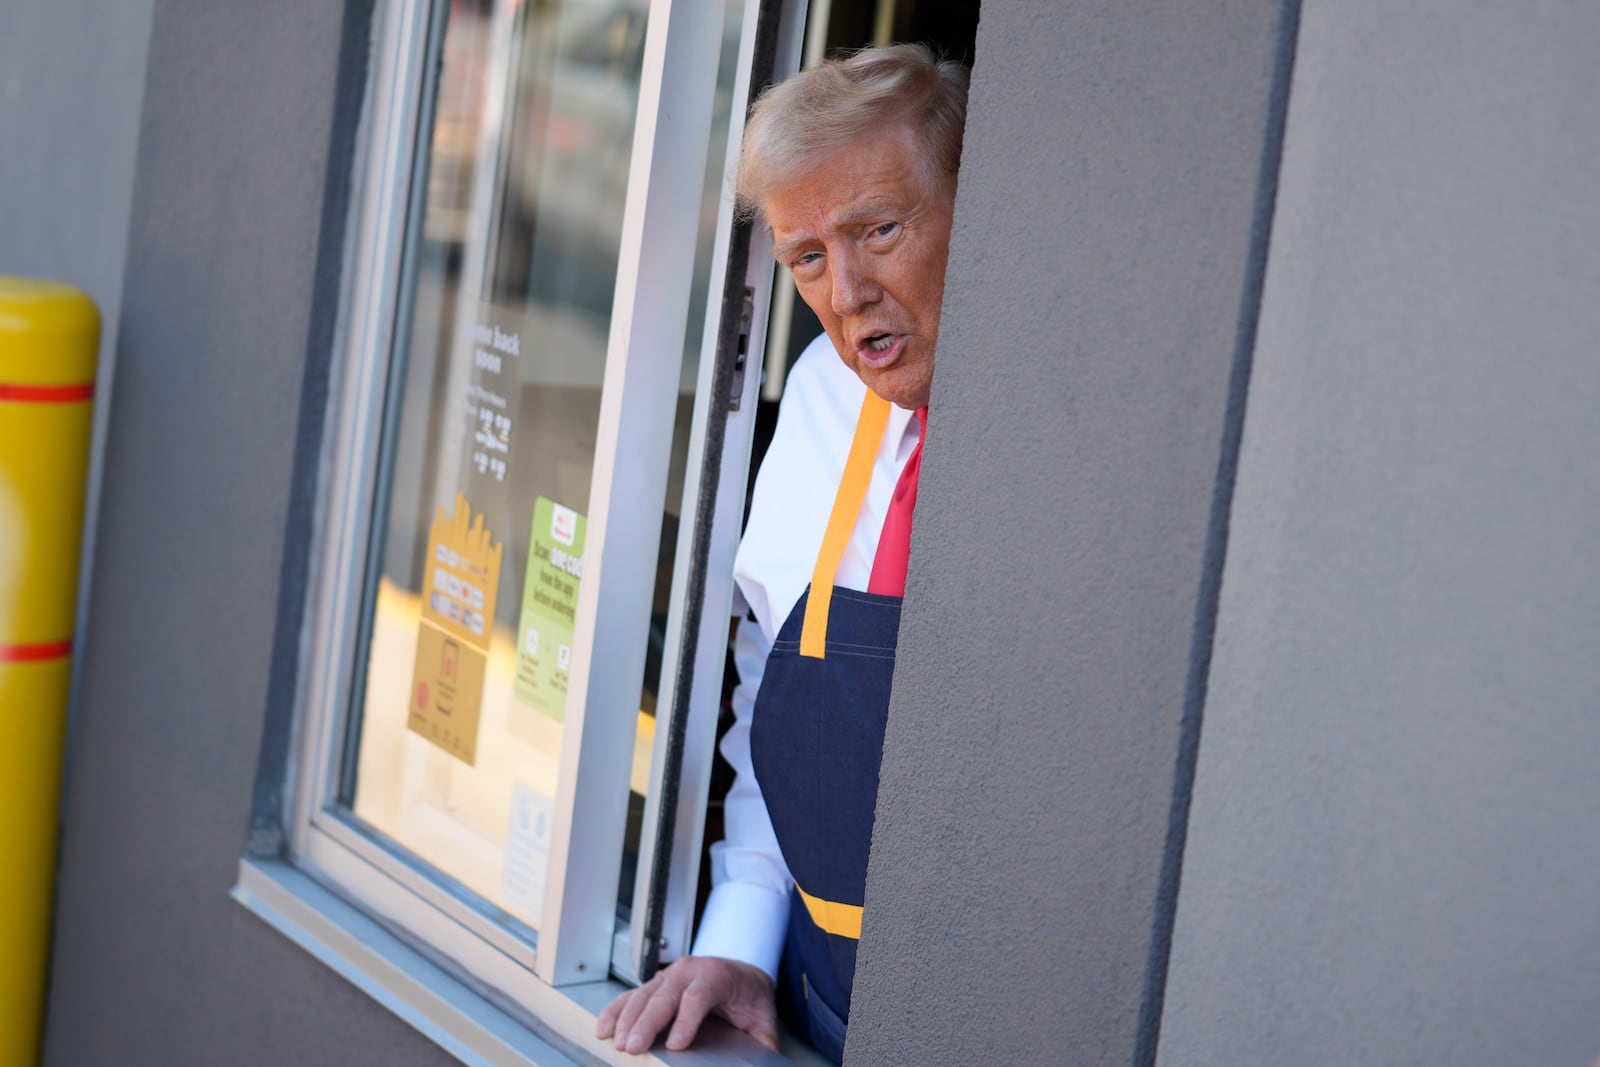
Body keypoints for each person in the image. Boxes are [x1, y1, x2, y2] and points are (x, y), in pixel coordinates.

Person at [597, 44, 968, 1062]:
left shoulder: (1056, 435)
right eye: (807, 256)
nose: (846, 292)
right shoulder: (819, 397)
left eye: (878, 230)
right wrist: (740, 942)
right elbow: (777, 700)